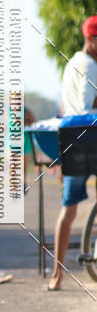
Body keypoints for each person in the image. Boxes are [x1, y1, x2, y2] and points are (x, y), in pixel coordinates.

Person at [48, 15, 97, 290]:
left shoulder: (72, 63)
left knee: (68, 211)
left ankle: (57, 275)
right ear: (91, 39)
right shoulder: (90, 66)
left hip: (71, 142)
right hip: (90, 140)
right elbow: (86, 108)